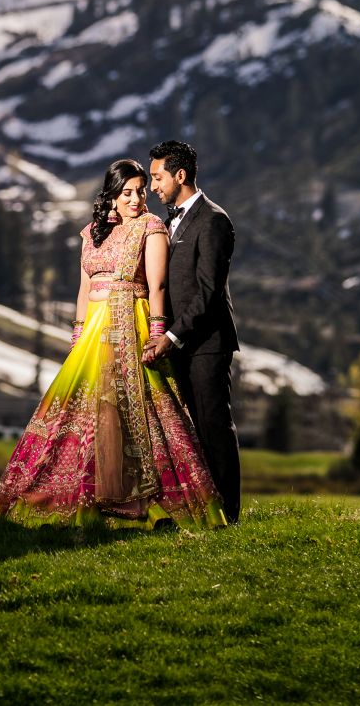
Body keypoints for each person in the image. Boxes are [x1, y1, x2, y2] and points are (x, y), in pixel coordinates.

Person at [0, 157, 226, 528]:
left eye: (141, 192)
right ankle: (87, 496)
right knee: (84, 410)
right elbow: (84, 289)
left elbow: (158, 285)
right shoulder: (92, 232)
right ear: (111, 196)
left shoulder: (151, 227)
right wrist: (79, 332)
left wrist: (160, 331)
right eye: (127, 193)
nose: (136, 199)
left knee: (141, 411)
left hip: (133, 322)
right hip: (94, 333)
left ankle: (151, 503)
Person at [142, 140, 241, 523]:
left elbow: (207, 291)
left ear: (179, 175)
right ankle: (197, 507)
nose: (153, 186)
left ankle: (228, 515)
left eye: (157, 177)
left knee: (213, 426)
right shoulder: (169, 221)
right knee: (187, 430)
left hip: (206, 344)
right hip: (179, 344)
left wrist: (170, 337)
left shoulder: (214, 220)